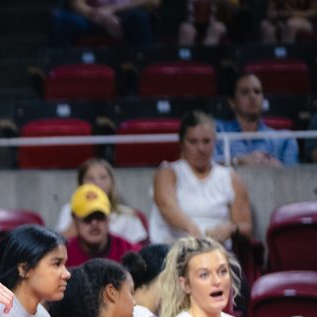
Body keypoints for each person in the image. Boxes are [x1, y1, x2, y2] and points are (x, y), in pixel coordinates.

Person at [149, 110, 252, 246]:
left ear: (215, 141)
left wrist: (232, 229)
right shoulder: (168, 172)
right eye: (193, 141)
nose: (201, 148)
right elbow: (166, 206)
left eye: (206, 141)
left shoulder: (230, 178)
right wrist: (196, 234)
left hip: (218, 253)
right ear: (181, 143)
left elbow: (245, 227)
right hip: (173, 250)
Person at [54, 158, 149, 243]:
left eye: (103, 177)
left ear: (112, 182)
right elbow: (58, 246)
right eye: (90, 178)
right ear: (81, 183)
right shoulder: (69, 210)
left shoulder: (128, 215)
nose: (97, 183)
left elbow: (138, 251)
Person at [215, 72, 300, 167]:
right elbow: (204, 165)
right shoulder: (217, 131)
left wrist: (277, 168)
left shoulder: (284, 139)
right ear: (232, 102)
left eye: (257, 91)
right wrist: (239, 160)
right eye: (245, 92)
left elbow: (294, 177)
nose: (253, 96)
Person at [64, 184, 142, 268]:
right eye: (87, 217)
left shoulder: (128, 252)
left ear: (108, 218)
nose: (94, 223)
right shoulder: (63, 255)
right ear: (74, 219)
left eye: (99, 216)